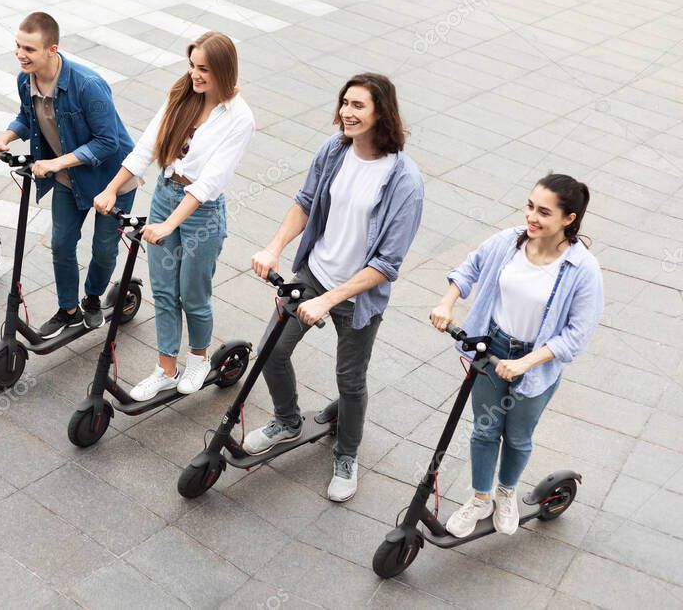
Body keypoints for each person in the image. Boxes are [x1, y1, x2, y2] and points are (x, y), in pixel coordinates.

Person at [247, 73, 424, 502]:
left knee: (350, 379)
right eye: (345, 102)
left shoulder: (405, 182)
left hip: (358, 296)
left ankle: (347, 455)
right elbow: (306, 202)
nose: (347, 112)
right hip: (314, 274)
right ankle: (287, 421)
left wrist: (330, 299)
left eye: (359, 105)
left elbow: (386, 264)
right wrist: (273, 247)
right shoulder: (334, 150)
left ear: (382, 112)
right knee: (271, 350)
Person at [430, 173, 603, 537]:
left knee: (519, 436)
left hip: (535, 363)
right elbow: (470, 267)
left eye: (543, 212)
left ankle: (506, 494)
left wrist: (526, 362)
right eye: (529, 206)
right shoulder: (509, 242)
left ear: (569, 219)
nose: (531, 217)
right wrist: (447, 302)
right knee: (484, 429)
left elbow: (576, 335)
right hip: (492, 347)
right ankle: (480, 498)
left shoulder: (582, 269)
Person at [94, 32, 255, 401]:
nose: (195, 76)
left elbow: (209, 183)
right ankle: (166, 368)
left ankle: (198, 358)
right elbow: (148, 146)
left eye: (204, 70)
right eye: (192, 66)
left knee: (193, 294)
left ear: (225, 71)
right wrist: (111, 188)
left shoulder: (240, 119)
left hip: (201, 213)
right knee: (165, 291)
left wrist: (170, 225)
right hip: (166, 195)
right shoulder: (182, 94)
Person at [0, 12, 136, 338]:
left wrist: (56, 163)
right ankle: (68, 309)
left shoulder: (88, 86)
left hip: (112, 180)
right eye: (18, 46)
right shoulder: (26, 79)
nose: (21, 54)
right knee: (62, 243)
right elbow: (28, 117)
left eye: (30, 49)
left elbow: (108, 142)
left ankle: (92, 298)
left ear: (52, 50)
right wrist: (2, 140)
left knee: (104, 249)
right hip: (70, 177)